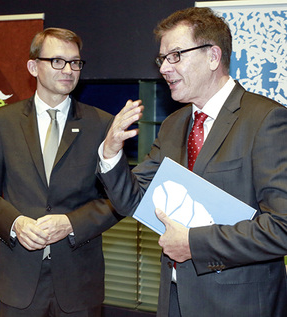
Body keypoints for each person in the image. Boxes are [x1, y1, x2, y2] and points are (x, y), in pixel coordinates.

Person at [98, 7, 287, 317]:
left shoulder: (266, 120)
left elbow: (281, 227)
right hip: (174, 300)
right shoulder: (174, 124)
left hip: (239, 305)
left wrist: (193, 244)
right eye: (162, 59)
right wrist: (110, 153)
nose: (164, 69)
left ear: (213, 56)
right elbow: (132, 200)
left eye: (175, 55)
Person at [0, 28, 120, 316]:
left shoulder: (101, 124)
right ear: (33, 66)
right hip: (20, 278)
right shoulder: (4, 121)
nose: (68, 70)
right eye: (57, 61)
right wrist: (15, 223)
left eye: (75, 62)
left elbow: (118, 201)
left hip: (79, 280)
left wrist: (70, 223)